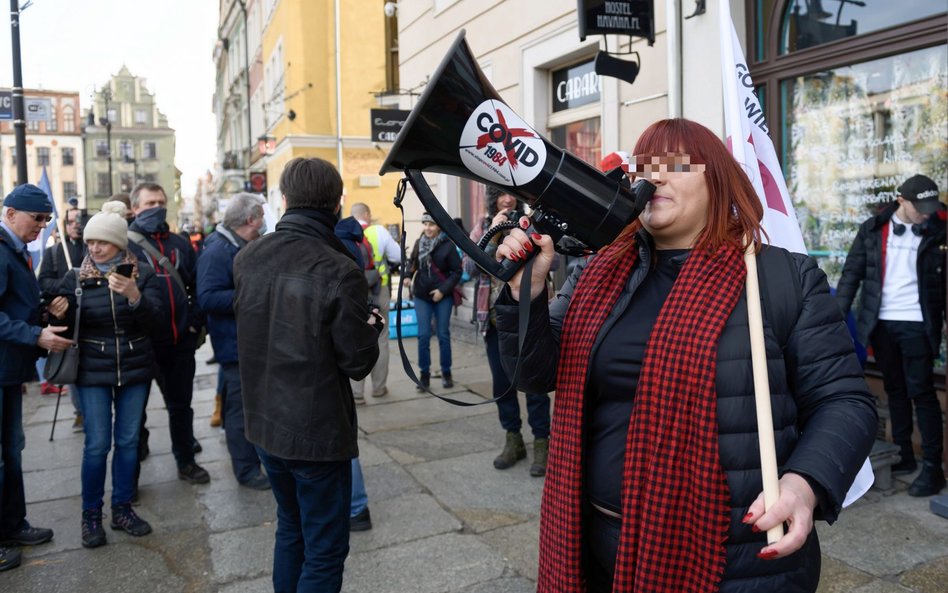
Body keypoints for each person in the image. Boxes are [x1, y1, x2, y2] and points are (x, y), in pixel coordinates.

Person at [494, 119, 877, 593]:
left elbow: (845, 403)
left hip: (730, 555)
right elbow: (533, 374)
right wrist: (524, 297)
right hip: (591, 541)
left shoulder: (778, 277)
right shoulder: (596, 273)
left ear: (716, 180)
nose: (653, 177)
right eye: (643, 167)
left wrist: (805, 484)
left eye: (675, 165)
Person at [234, 157, 382, 592]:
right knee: (323, 548)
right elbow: (357, 362)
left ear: (285, 200)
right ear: (336, 203)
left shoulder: (249, 256)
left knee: (291, 528)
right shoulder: (338, 268)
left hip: (264, 424)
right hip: (315, 434)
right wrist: (371, 327)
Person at [836, 174, 946, 497]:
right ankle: (904, 455)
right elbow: (851, 274)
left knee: (923, 394)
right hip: (881, 323)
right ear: (901, 201)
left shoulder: (939, 232)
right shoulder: (872, 230)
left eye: (930, 206)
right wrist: (837, 318)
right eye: (920, 207)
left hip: (918, 324)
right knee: (895, 390)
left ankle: (933, 470)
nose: (926, 213)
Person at [63, 201, 164, 548]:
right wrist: (56, 310)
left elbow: (158, 322)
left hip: (135, 367)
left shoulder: (143, 273)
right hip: (93, 369)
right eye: (91, 242)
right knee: (96, 445)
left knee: (127, 441)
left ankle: (122, 508)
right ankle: (91, 515)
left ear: (119, 244)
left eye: (102, 242)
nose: (94, 248)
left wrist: (135, 296)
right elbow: (60, 326)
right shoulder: (75, 276)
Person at [0, 184, 72, 571]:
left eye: (46, 220)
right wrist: (34, 334)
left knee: (11, 453)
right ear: (10, 214)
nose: (42, 227)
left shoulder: (15, 249)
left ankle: (13, 525)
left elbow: (15, 304)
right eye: (37, 218)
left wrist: (45, 313)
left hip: (9, 370)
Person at [127, 182, 209, 487]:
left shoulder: (180, 243)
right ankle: (129, 476)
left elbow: (198, 285)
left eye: (160, 201)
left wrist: (192, 324)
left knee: (181, 408)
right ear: (135, 208)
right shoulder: (124, 244)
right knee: (133, 416)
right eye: (149, 203)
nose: (156, 207)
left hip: (179, 343)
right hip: (139, 345)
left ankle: (186, 462)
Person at [470, 188, 550, 476]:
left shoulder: (529, 224)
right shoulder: (482, 226)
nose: (506, 199)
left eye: (510, 194)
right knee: (502, 384)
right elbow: (470, 267)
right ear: (492, 199)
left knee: (533, 383)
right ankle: (513, 439)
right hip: (493, 320)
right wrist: (492, 233)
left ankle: (542, 440)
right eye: (500, 195)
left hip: (527, 317)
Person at [197, 193, 269, 490]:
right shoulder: (218, 250)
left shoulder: (236, 244)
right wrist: (253, 295)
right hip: (235, 345)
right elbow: (208, 297)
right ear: (250, 219)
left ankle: (248, 460)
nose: (264, 221)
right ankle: (247, 470)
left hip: (244, 341)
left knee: (236, 406)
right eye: (261, 216)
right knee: (241, 409)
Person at [333, 214, 378, 531]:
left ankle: (356, 507)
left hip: (334, 356)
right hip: (350, 340)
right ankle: (356, 507)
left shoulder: (334, 247)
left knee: (342, 431)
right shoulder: (357, 243)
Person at [38, 206, 87, 430]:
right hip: (67, 318)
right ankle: (80, 411)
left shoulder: (94, 248)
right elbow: (44, 283)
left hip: (94, 317)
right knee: (72, 365)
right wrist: (69, 287)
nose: (76, 225)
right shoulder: (56, 253)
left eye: (81, 220)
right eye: (71, 221)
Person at [402, 213, 462, 391]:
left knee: (443, 334)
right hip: (421, 294)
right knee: (423, 335)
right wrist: (406, 276)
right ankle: (424, 375)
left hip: (442, 296)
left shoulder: (448, 246)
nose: (428, 228)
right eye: (425, 224)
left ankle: (446, 372)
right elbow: (412, 262)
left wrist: (442, 291)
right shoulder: (419, 242)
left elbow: (456, 272)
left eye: (432, 224)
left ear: (439, 227)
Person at [350, 202, 401, 398]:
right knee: (381, 337)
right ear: (367, 214)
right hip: (379, 291)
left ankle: (357, 392)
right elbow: (397, 256)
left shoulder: (343, 233)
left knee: (355, 337)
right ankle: (379, 388)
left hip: (354, 293)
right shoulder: (378, 231)